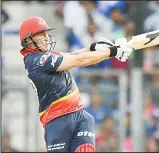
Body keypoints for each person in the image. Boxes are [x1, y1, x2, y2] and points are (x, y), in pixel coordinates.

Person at [19, 16, 133, 152]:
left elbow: (74, 54)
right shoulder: (35, 61)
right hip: (57, 121)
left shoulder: (46, 56)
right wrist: (111, 52)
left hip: (80, 116)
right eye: (40, 35)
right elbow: (78, 61)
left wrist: (93, 47)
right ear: (28, 41)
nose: (46, 37)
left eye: (46, 34)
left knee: (87, 124)